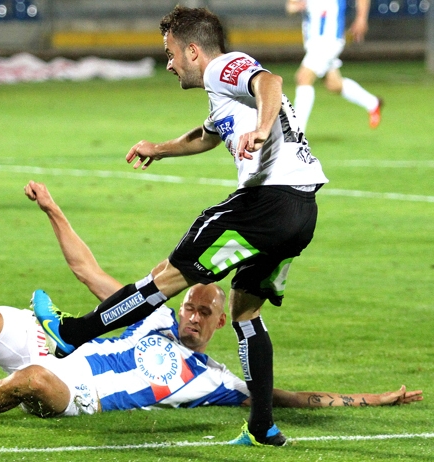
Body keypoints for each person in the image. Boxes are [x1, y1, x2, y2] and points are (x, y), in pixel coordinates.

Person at [0, 183, 422, 423]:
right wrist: (55, 210)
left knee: (31, 381)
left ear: (223, 320)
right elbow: (86, 270)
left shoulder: (216, 380)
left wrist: (373, 399)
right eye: (192, 308)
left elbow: (297, 397)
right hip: (60, 349)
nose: (196, 317)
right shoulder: (151, 312)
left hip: (77, 393)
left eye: (206, 312)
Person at [32, 5, 331, 447]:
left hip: (267, 200)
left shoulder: (225, 68)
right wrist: (160, 147)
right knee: (246, 312)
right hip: (302, 211)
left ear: (193, 50)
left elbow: (270, 81)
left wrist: (265, 129)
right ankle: (262, 426)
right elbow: (208, 134)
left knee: (165, 278)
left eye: (171, 53)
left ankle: (73, 332)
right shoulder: (222, 91)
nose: (169, 63)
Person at [286, 0, 382, 132]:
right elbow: (290, 6)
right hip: (313, 42)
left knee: (303, 77)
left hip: (329, 39)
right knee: (333, 84)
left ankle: (296, 135)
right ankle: (372, 103)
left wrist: (361, 18)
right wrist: (296, 6)